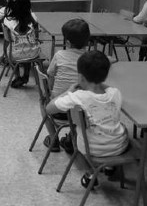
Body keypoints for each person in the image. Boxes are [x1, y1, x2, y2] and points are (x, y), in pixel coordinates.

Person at [46, 50, 129, 188]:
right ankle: (109, 167)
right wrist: (99, 83)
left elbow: (49, 108)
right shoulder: (115, 93)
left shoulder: (77, 97)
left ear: (81, 77)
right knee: (119, 127)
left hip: (92, 150)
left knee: (76, 134)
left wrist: (68, 91)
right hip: (119, 147)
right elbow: (107, 88)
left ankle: (90, 172)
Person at [43, 19, 91, 152]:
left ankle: (53, 140)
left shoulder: (59, 55)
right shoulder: (90, 59)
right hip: (83, 113)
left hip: (59, 110)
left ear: (68, 42)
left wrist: (52, 92)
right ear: (88, 40)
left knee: (42, 103)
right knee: (80, 105)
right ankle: (72, 137)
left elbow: (50, 75)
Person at [0, 0, 41, 88]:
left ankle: (17, 75)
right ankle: (26, 75)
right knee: (28, 46)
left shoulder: (7, 21)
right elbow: (36, 37)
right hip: (33, 54)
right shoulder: (33, 18)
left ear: (10, 5)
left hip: (14, 55)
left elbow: (6, 39)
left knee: (12, 46)